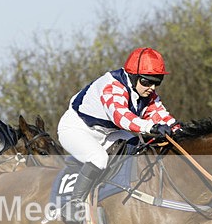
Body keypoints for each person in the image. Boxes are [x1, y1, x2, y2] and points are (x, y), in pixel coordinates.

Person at [57, 47, 181, 205]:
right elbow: (121, 118)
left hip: (107, 133)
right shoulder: (112, 86)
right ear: (133, 76)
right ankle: (74, 204)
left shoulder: (147, 94)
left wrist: (181, 131)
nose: (152, 88)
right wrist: (152, 127)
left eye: (157, 82)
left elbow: (161, 115)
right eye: (146, 81)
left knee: (139, 148)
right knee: (99, 158)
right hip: (76, 130)